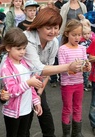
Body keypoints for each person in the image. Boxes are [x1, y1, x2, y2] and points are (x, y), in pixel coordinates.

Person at [21, 8, 83, 137]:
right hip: (21, 83)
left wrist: (38, 93)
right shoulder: (27, 39)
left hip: (37, 83)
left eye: (56, 27)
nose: (53, 32)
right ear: (38, 26)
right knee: (25, 119)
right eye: (48, 28)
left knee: (45, 114)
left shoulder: (54, 42)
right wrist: (68, 67)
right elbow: (39, 68)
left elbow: (46, 72)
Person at [0, 27, 43, 137]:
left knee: (24, 134)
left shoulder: (24, 63)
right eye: (19, 49)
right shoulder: (6, 67)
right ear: (8, 47)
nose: (22, 52)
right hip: (13, 113)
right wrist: (29, 83)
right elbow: (11, 91)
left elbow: (30, 87)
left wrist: (36, 101)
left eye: (24, 48)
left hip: (26, 109)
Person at [59, 20, 91, 137]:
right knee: (68, 108)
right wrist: (72, 70)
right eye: (74, 35)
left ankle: (77, 132)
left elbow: (85, 64)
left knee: (78, 107)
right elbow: (62, 68)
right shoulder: (63, 49)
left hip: (79, 83)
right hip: (67, 84)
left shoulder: (82, 48)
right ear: (67, 34)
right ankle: (66, 134)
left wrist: (87, 67)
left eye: (79, 34)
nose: (77, 37)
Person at [79, 26, 92, 91]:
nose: (87, 35)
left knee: (89, 72)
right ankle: (84, 85)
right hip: (83, 59)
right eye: (85, 34)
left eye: (88, 34)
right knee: (85, 73)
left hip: (89, 58)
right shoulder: (81, 42)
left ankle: (87, 83)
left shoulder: (90, 41)